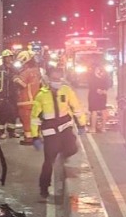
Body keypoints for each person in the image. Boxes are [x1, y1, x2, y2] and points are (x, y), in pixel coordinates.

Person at [30, 68, 86, 198]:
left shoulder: (66, 91)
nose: (57, 81)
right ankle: (44, 187)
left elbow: (76, 107)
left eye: (59, 78)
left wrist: (81, 123)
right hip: (50, 132)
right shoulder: (41, 95)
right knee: (48, 161)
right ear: (48, 79)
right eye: (54, 79)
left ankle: (62, 154)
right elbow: (35, 118)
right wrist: (34, 136)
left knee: (73, 148)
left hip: (65, 127)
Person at [14, 51, 43, 145]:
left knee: (26, 120)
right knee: (35, 120)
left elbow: (22, 83)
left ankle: (29, 138)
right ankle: (36, 136)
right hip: (36, 100)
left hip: (26, 100)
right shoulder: (37, 70)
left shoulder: (26, 72)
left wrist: (15, 78)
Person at [0, 50, 20, 138]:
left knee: (13, 113)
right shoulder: (0, 69)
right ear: (4, 58)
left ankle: (11, 132)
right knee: (3, 113)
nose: (8, 59)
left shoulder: (15, 69)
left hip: (13, 95)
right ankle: (0, 132)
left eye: (10, 57)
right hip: (3, 95)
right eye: (7, 57)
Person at [88, 65, 111, 133]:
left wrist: (98, 90)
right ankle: (103, 128)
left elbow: (91, 86)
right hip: (103, 96)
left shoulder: (92, 77)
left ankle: (93, 128)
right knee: (103, 110)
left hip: (93, 96)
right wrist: (104, 91)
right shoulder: (105, 77)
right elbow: (108, 85)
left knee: (94, 111)